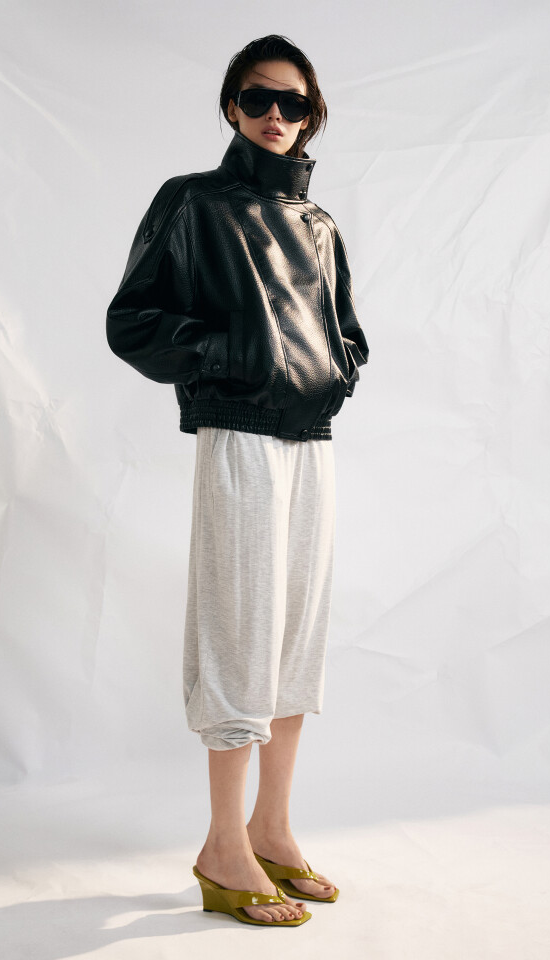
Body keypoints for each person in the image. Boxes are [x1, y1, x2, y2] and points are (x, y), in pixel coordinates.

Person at [106, 35, 369, 927]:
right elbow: (133, 321)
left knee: (295, 639)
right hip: (241, 436)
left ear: (313, 115)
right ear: (231, 106)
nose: (275, 116)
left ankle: (273, 830)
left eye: (294, 103)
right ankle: (223, 845)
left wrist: (333, 370)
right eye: (259, 98)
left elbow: (347, 333)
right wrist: (234, 355)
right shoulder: (192, 203)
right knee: (239, 634)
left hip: (312, 441)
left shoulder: (320, 225)